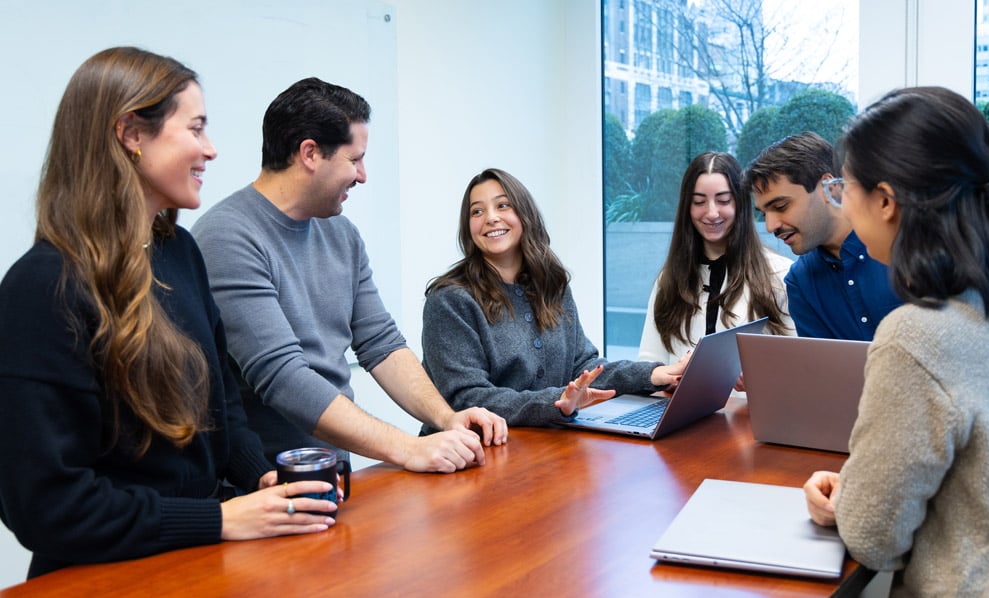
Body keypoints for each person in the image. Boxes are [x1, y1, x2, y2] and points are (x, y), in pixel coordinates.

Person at [0, 47, 337, 579]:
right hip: (103, 579)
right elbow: (46, 508)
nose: (211, 149)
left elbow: (223, 406)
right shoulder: (41, 288)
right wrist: (215, 519)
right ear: (131, 133)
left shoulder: (179, 251)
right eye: (196, 128)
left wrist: (258, 479)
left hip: (205, 558)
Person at [191, 79, 507, 474]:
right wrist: (409, 448)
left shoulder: (341, 234)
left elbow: (381, 344)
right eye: (354, 159)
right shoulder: (227, 237)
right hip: (264, 484)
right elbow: (284, 378)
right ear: (310, 153)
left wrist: (447, 419)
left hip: (332, 472)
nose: (362, 175)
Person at [802, 86, 989, 597]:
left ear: (885, 202)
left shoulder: (916, 337)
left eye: (845, 188)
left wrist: (850, 498)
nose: (843, 204)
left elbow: (874, 537)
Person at [420, 168, 686, 429]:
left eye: (503, 205)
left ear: (525, 214)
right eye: (477, 211)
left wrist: (652, 375)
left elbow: (583, 367)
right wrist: (556, 401)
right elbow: (467, 398)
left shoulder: (552, 285)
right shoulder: (449, 300)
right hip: (467, 456)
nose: (490, 217)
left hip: (543, 448)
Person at [638, 151, 794, 367]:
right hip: (680, 401)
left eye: (723, 200)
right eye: (699, 202)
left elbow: (797, 370)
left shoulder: (780, 275)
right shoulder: (669, 280)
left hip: (751, 402)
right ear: (687, 208)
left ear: (740, 204)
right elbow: (649, 365)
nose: (712, 213)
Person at [744, 132, 902, 340]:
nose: (771, 225)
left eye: (781, 206)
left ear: (831, 189)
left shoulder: (904, 249)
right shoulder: (800, 282)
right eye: (764, 213)